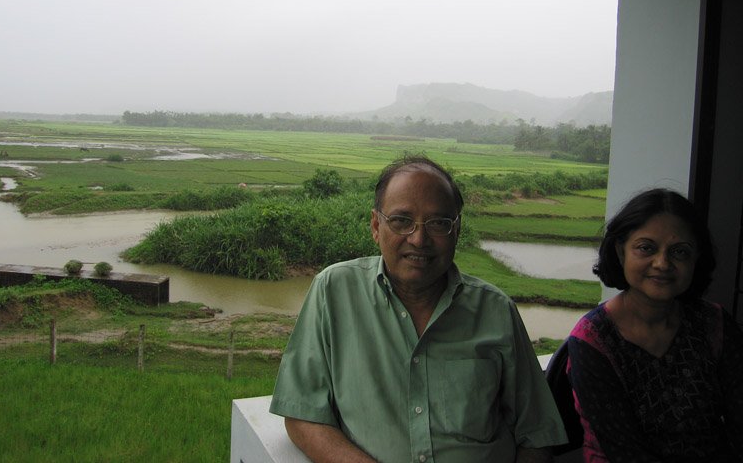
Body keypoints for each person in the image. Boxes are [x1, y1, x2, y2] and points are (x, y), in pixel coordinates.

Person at [269, 155, 567, 463]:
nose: (419, 238)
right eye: (401, 221)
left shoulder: (495, 311)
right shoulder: (334, 291)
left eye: (438, 223)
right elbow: (301, 413)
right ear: (375, 226)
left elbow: (537, 433)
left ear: (457, 229)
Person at [567, 188, 743, 462]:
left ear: (696, 258)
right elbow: (624, 451)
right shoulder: (593, 340)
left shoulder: (714, 324)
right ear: (621, 251)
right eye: (646, 248)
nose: (662, 263)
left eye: (679, 252)